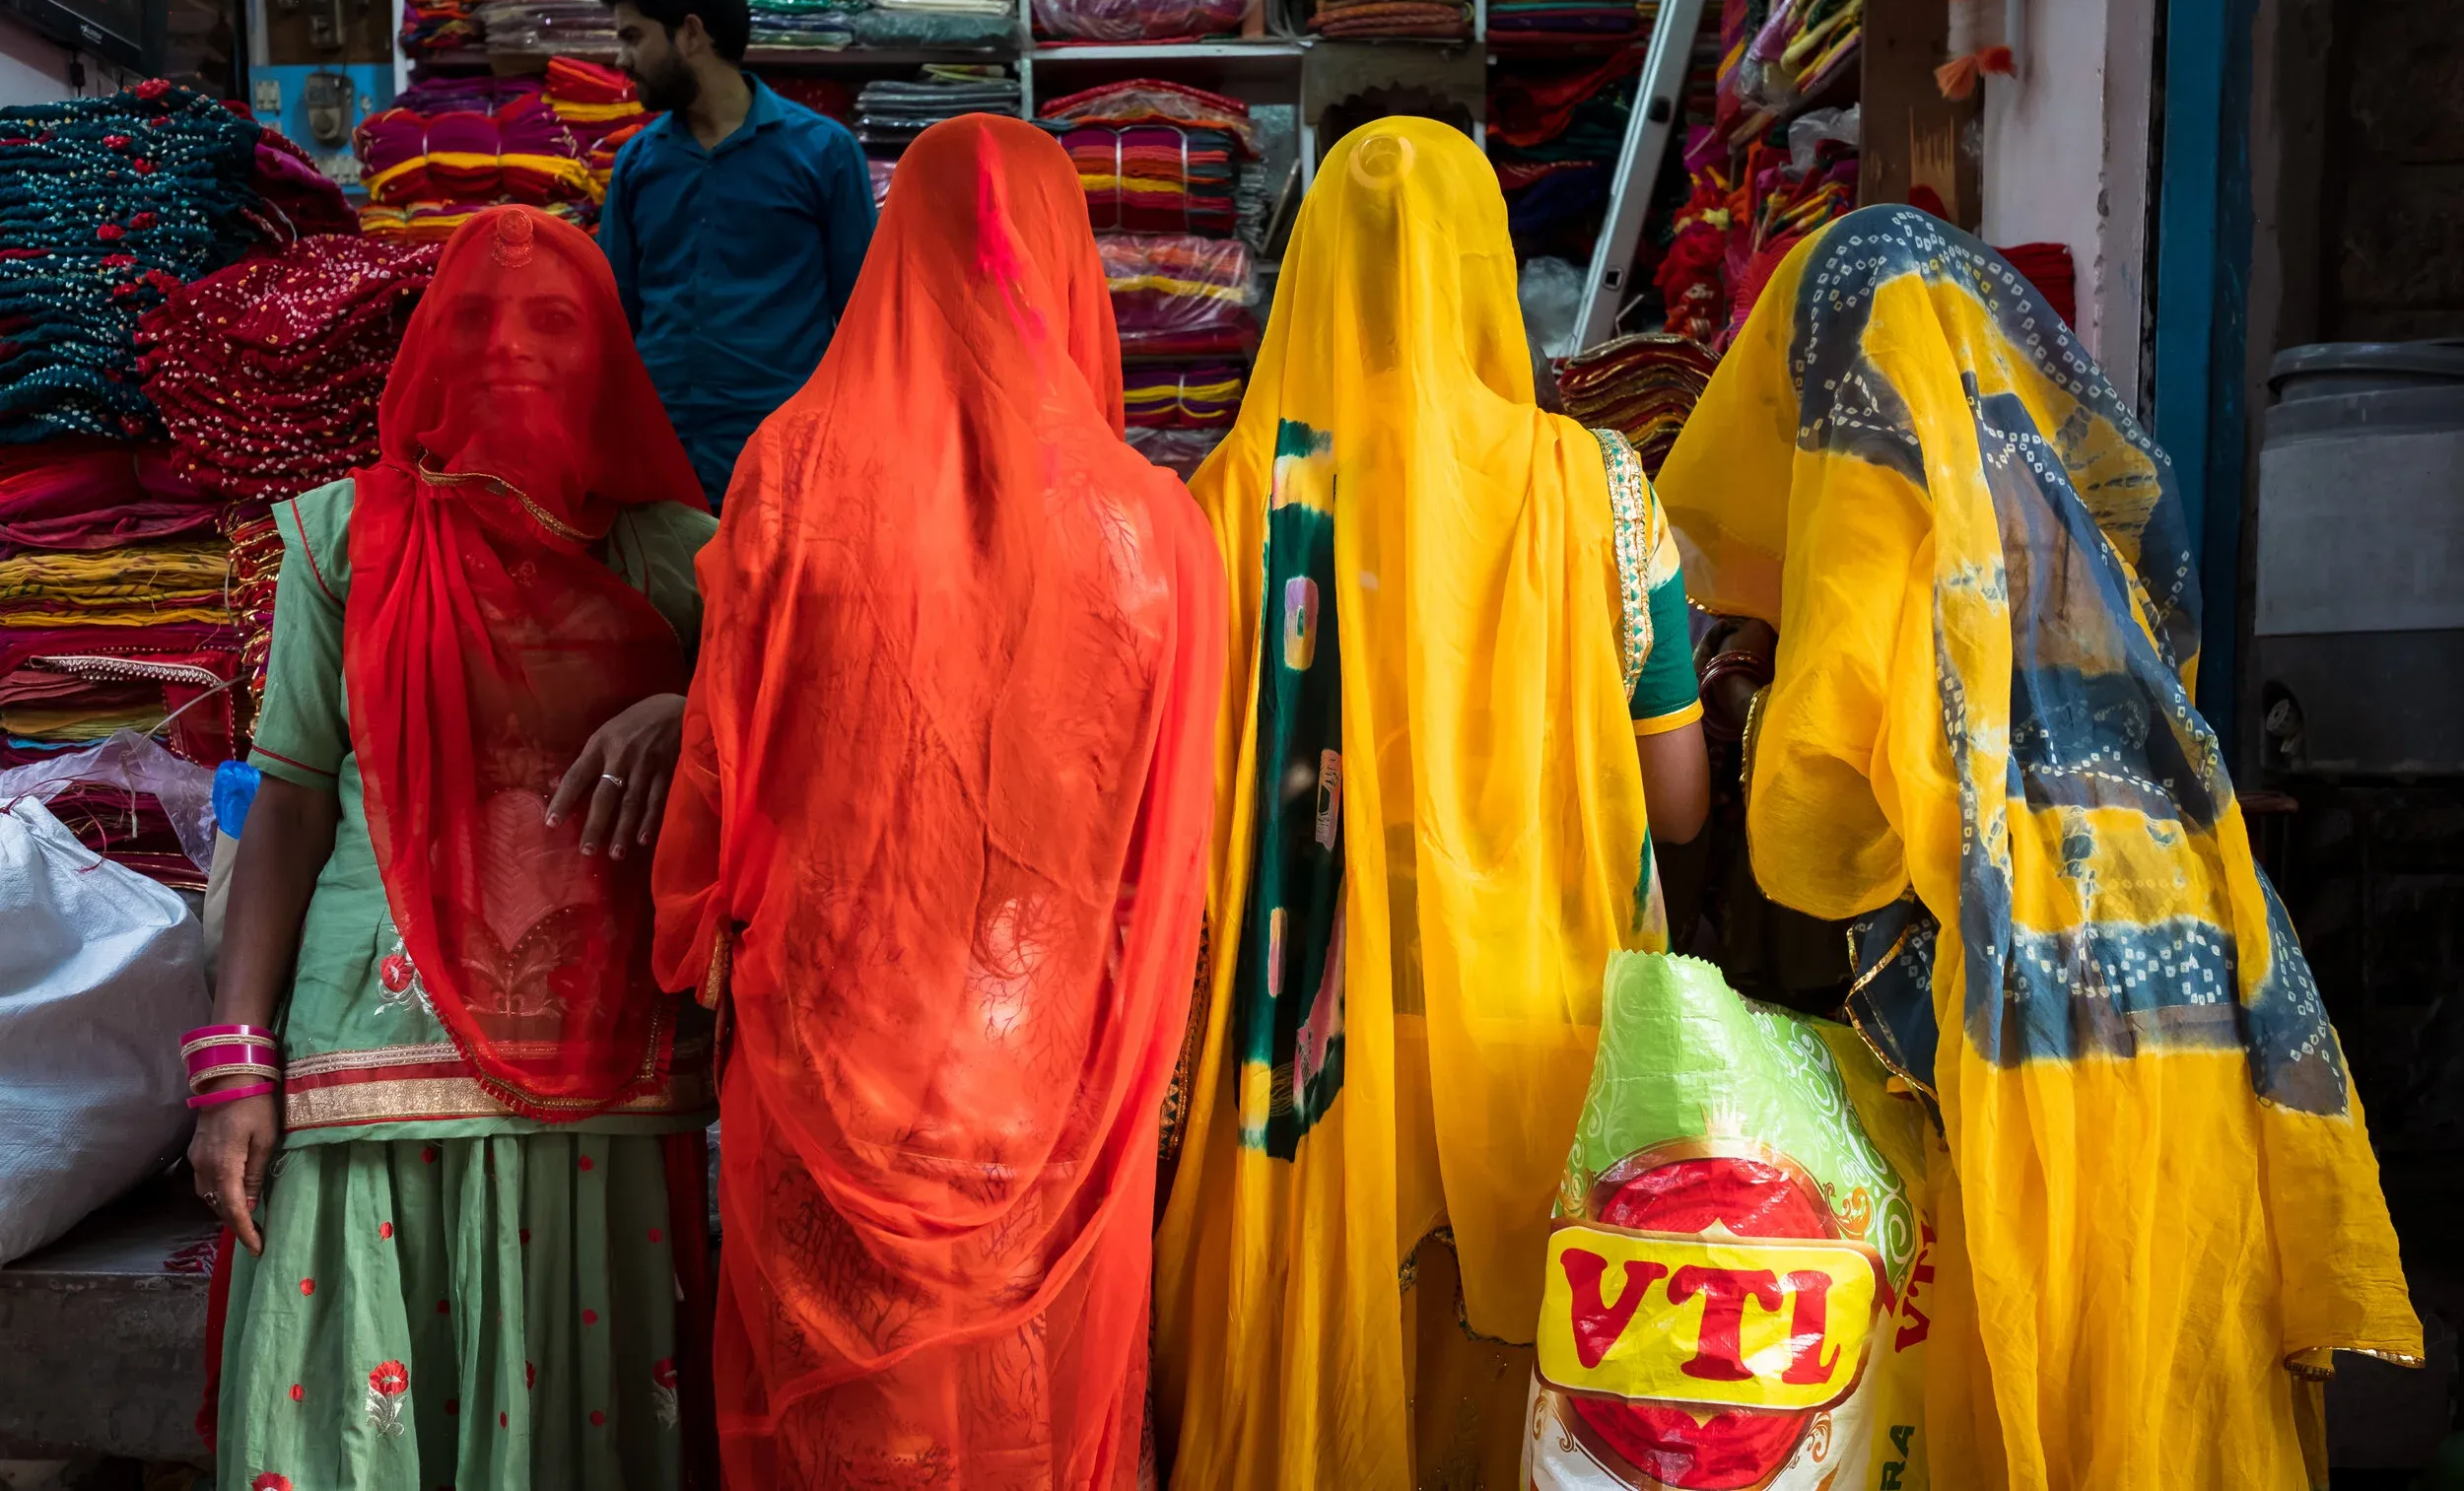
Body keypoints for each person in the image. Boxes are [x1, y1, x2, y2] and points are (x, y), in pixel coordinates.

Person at [1653, 205, 2421, 1488]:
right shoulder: (2090, 633)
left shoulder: (1865, 675)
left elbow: (1803, 853)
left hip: (2032, 1116)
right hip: (2188, 1087)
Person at [649, 113, 1225, 1486]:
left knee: (843, 1416)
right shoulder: (1153, 522)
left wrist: (694, 929)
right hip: (1049, 1049)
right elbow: (1164, 832)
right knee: (1019, 1403)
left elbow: (726, 754)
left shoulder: (789, 473)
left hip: (834, 1032)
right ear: (1071, 264)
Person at [1151, 118, 1710, 1491]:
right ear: (1484, 264)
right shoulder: (1600, 492)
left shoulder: (1226, 507)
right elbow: (1681, 806)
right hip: (1544, 1039)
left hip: (1314, 1049)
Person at [192, 206, 723, 1491]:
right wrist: (233, 1056)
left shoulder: (687, 561)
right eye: (477, 318)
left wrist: (694, 714)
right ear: (431, 346)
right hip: (363, 1052)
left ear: (605, 347)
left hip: (598, 1063)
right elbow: (293, 796)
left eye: (552, 320)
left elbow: (792, 746)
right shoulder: (346, 536)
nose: (511, 349)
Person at [591, 0, 876, 505]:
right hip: (662, 458)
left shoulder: (823, 152)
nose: (620, 60)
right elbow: (613, 315)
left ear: (691, 34)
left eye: (632, 37)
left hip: (786, 463)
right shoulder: (638, 162)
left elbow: (863, 316)